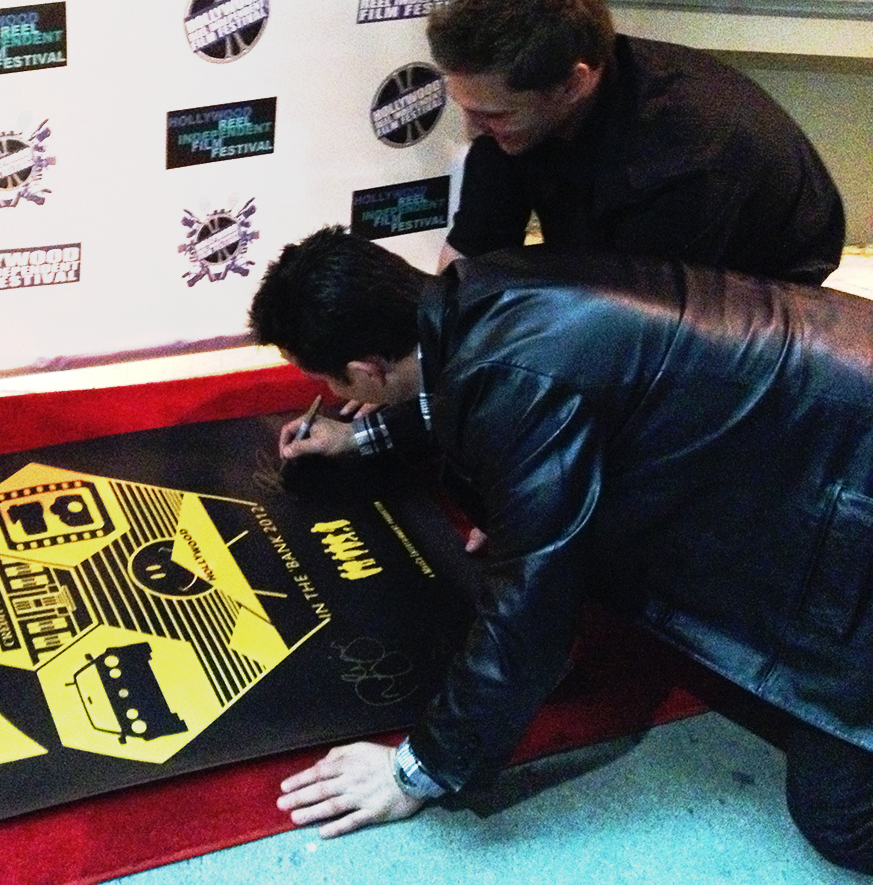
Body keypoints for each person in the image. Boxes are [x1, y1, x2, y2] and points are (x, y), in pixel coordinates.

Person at [249, 225, 873, 874]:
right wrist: (363, 439)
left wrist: (419, 769)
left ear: (364, 370)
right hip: (838, 381)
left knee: (839, 818)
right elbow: (476, 389)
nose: (340, 398)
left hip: (853, 492)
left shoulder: (513, 375)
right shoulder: (481, 292)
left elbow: (533, 603)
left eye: (334, 382)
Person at [428, 0, 845, 286]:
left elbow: (632, 326)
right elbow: (472, 254)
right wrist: (415, 355)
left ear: (573, 84)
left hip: (761, 286)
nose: (472, 131)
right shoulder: (510, 107)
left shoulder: (686, 156)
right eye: (467, 109)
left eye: (492, 115)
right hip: (622, 252)